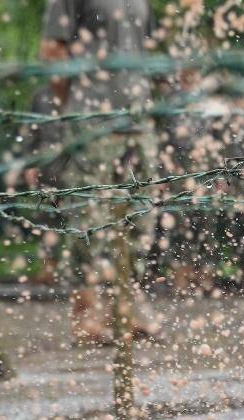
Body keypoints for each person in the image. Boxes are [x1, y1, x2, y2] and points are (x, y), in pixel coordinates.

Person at [40, 0, 159, 344]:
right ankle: (85, 312)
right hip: (92, 116)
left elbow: (146, 50)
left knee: (141, 214)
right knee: (87, 217)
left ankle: (126, 303)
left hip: (138, 115)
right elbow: (52, 51)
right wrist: (72, 107)